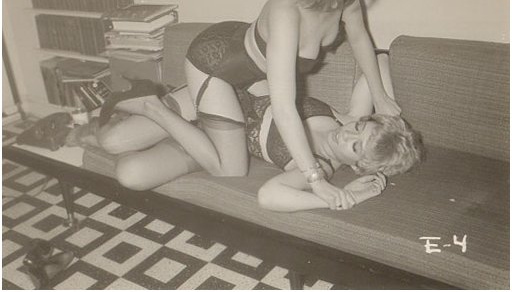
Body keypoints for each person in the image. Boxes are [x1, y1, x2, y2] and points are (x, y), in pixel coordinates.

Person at [179, 0, 400, 208]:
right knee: (231, 169)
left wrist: (382, 99)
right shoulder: (287, 13)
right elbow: (284, 108)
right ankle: (155, 102)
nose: (339, 3)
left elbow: (360, 41)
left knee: (135, 150)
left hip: (256, 86)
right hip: (217, 66)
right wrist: (315, 180)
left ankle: (172, 105)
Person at [92, 53, 423, 212]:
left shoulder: (318, 167)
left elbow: (268, 196)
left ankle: (149, 106)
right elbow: (381, 60)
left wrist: (337, 197)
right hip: (219, 99)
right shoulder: (347, 116)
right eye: (359, 128)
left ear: (358, 166)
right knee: (111, 140)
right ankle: (126, 110)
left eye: (355, 147)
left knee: (130, 174)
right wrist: (380, 108)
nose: (346, 135)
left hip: (213, 143)